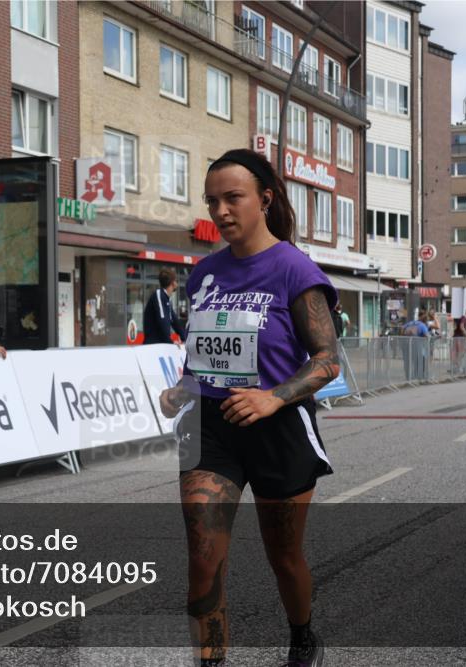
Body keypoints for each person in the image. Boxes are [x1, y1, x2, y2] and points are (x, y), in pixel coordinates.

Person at [158, 149, 338, 667]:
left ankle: (303, 638)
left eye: (232, 198)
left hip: (278, 426)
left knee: (283, 557)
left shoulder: (293, 268)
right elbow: (201, 353)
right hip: (211, 428)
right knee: (203, 558)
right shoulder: (204, 273)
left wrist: (272, 397)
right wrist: (184, 388)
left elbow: (328, 362)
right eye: (211, 201)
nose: (220, 211)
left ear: (265, 198)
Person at [142, 268, 187, 345]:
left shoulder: (167, 299)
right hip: (153, 346)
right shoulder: (159, 295)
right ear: (173, 283)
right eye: (176, 280)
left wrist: (184, 338)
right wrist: (170, 342)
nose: (177, 283)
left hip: (161, 345)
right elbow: (163, 320)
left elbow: (174, 320)